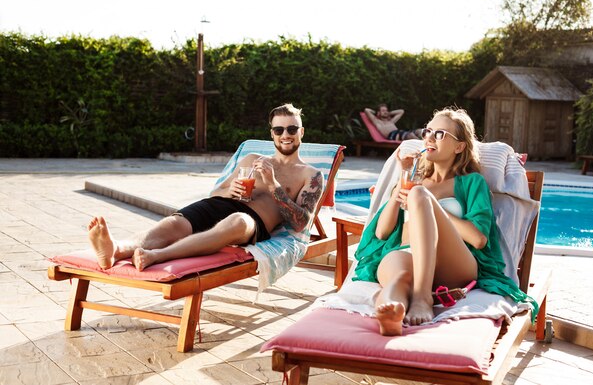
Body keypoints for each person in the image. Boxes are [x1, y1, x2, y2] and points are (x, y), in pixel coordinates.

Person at [353, 107, 537, 336]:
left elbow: (478, 239)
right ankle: (389, 312)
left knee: (420, 195)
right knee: (399, 278)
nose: (429, 137)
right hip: (406, 253)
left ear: (459, 146)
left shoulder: (471, 183)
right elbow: (382, 233)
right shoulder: (413, 179)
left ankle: (422, 297)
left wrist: (429, 203)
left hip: (453, 264)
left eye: (439, 134)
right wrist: (401, 184)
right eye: (427, 131)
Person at [88, 104, 324, 271]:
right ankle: (116, 249)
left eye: (292, 129)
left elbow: (301, 223)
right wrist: (228, 192)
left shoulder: (310, 175)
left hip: (252, 222)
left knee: (239, 221)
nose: (286, 135)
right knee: (175, 223)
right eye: (279, 130)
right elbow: (216, 192)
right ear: (272, 133)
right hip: (221, 205)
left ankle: (155, 256)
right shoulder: (252, 159)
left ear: (301, 132)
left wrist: (273, 185)